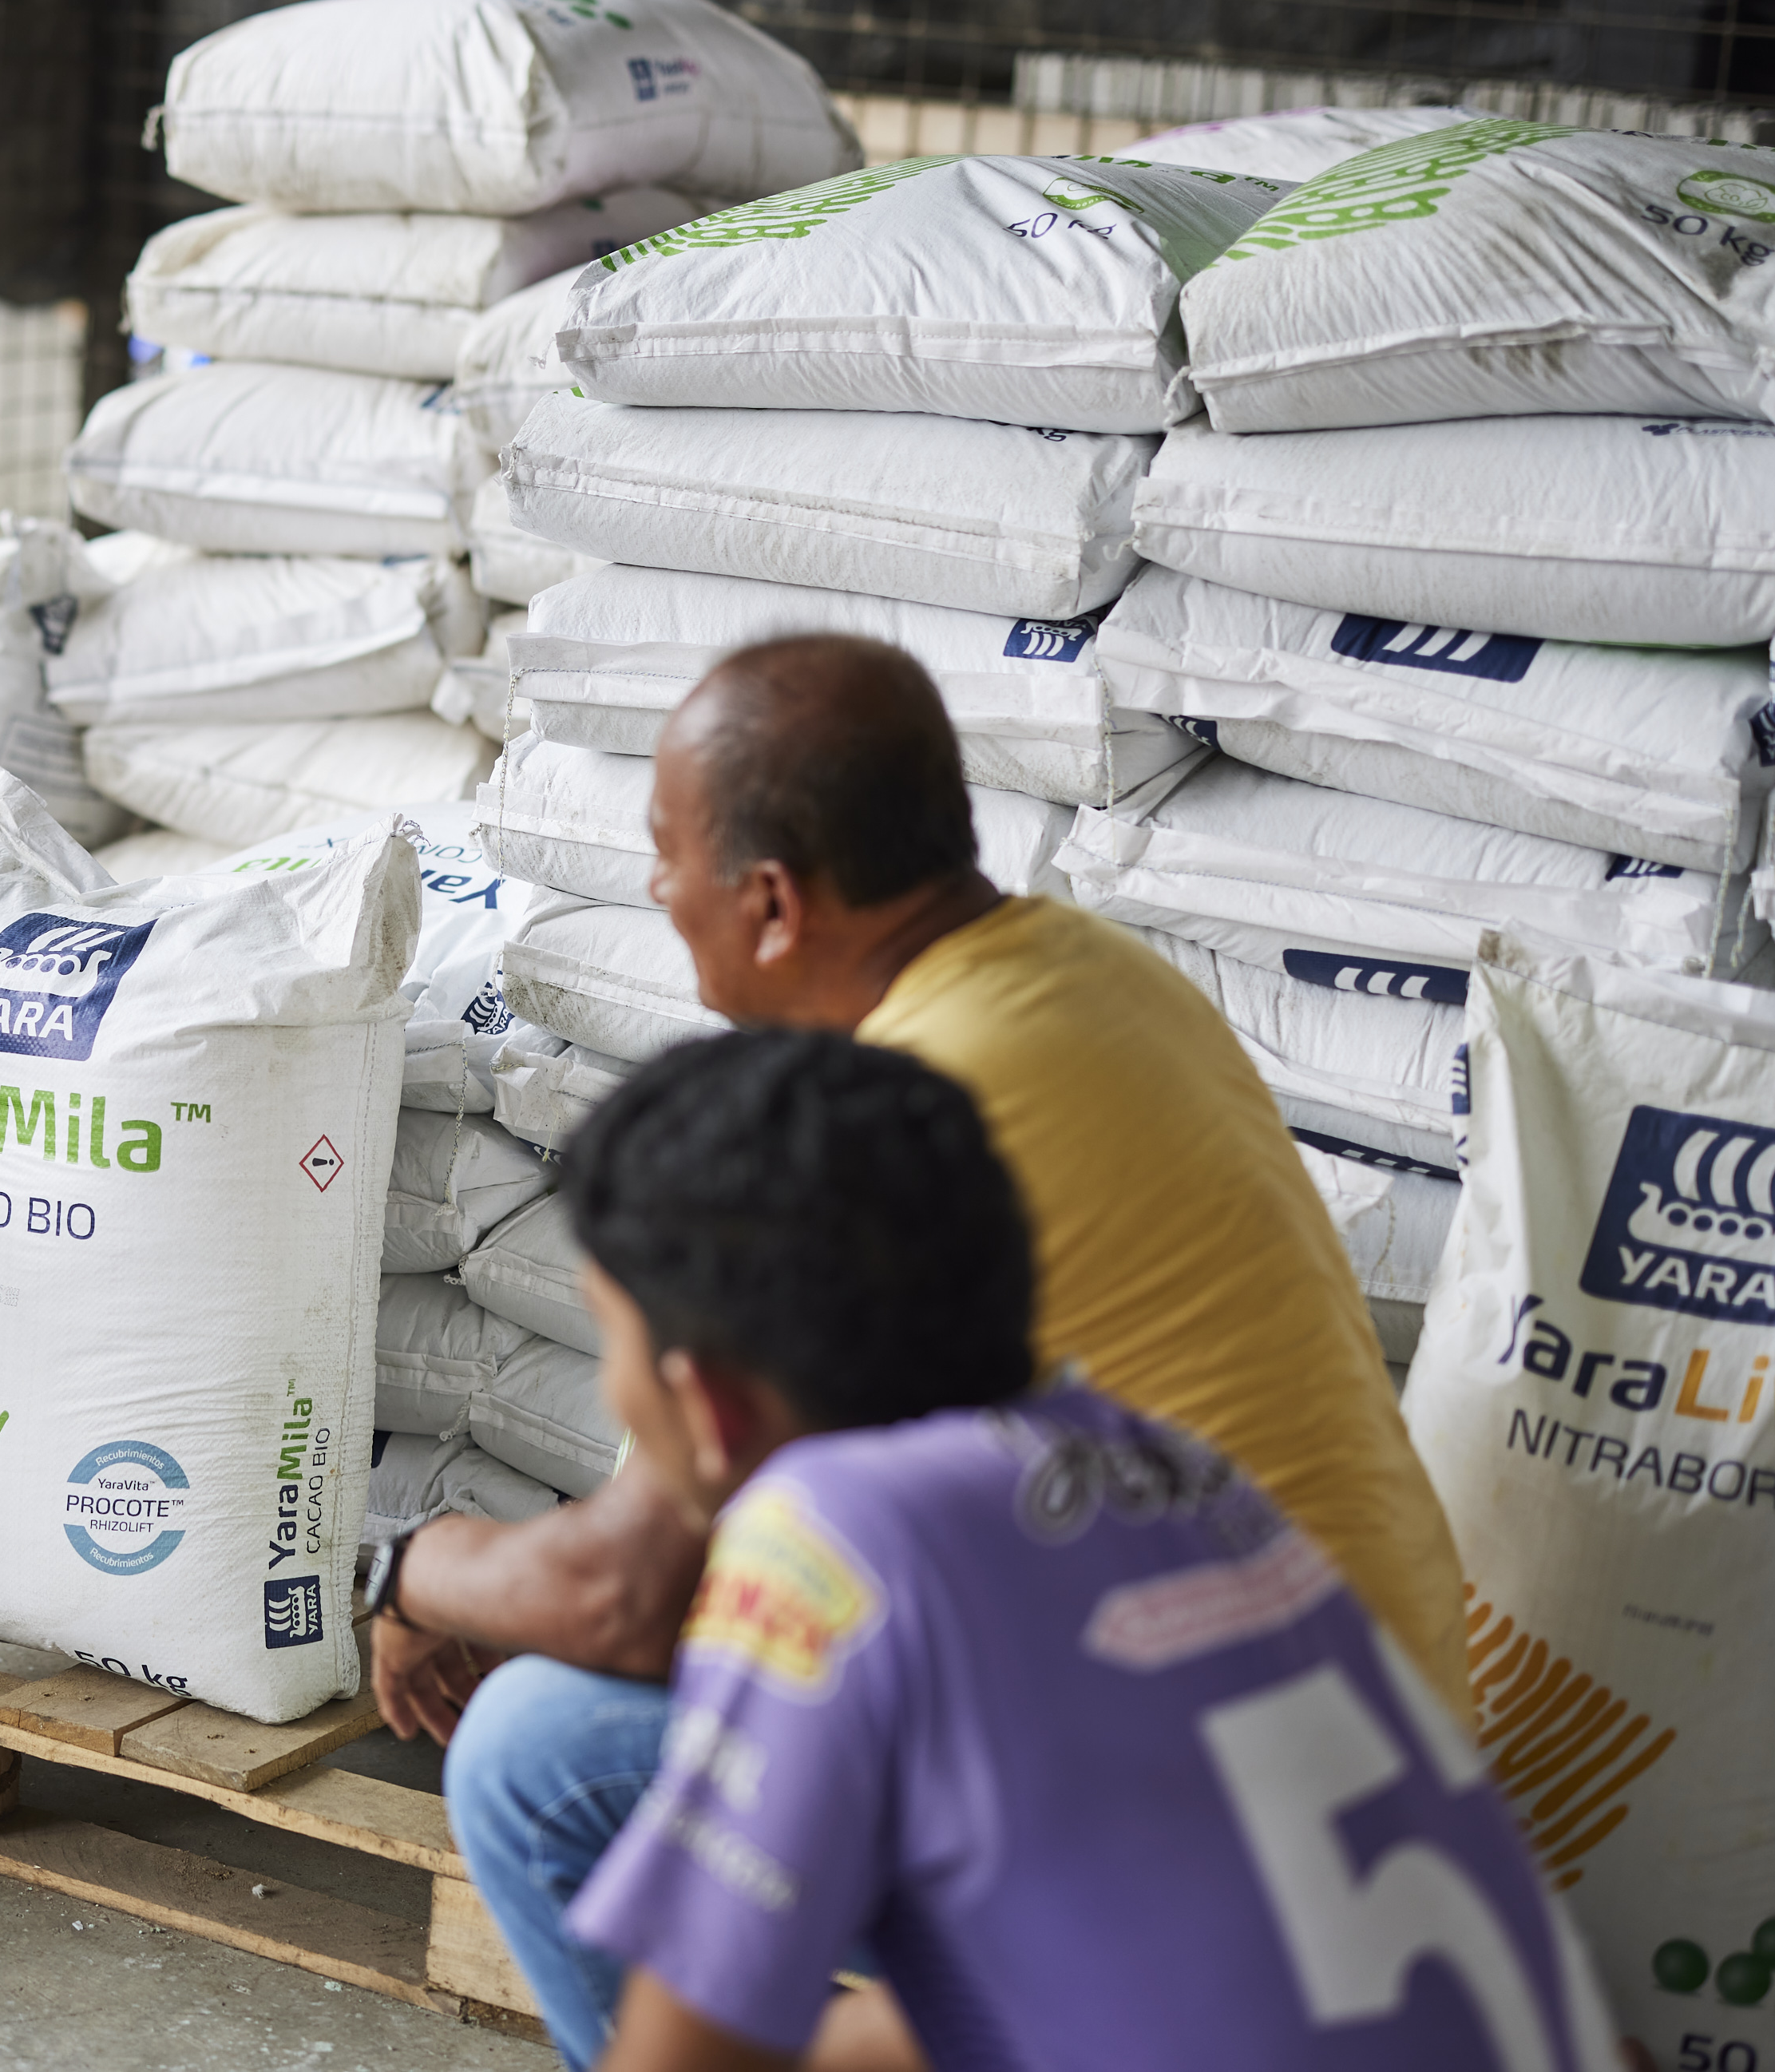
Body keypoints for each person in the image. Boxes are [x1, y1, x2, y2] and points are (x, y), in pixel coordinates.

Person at [369, 636, 1472, 2066]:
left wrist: (399, 1562)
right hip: (1373, 1769)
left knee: (538, 1751)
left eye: (665, 855)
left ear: (769, 904)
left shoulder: (853, 1158)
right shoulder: (1091, 979)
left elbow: (625, 1598)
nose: (648, 891)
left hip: (1183, 1817)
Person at [551, 1028, 1620, 2072]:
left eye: (611, 1338)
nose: (611, 1387)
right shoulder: (1175, 1470)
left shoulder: (827, 1535)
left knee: (535, 1759)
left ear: (706, 1403)